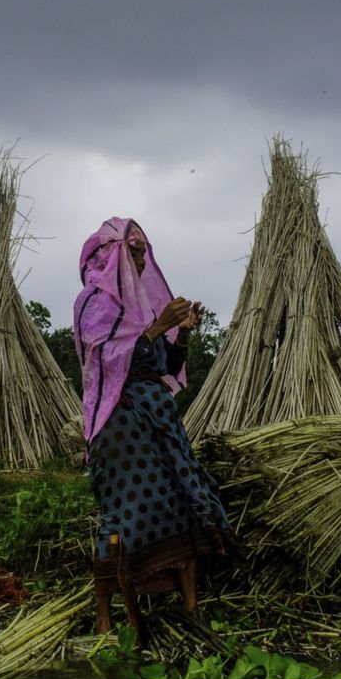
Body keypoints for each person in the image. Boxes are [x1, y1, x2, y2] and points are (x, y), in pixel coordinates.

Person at [74, 217, 240, 634]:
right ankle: (105, 618)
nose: (142, 260)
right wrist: (159, 326)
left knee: (178, 500)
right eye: (134, 252)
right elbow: (109, 364)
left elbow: (165, 366)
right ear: (111, 257)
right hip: (120, 423)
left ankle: (190, 605)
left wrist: (181, 334)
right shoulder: (94, 304)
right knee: (123, 514)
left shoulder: (142, 310)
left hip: (158, 418)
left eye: (144, 253)